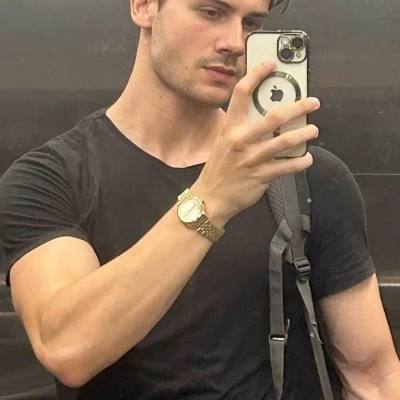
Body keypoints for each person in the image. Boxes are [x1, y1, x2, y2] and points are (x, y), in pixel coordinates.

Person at [0, 0, 399, 399]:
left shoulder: (304, 174)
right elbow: (68, 348)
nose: (235, 42)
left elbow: (374, 376)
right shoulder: (52, 179)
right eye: (211, 12)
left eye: (251, 23)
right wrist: (211, 199)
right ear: (144, 7)